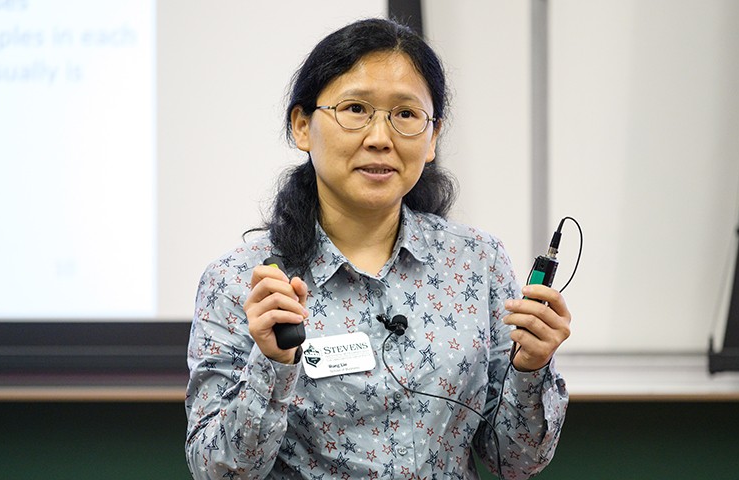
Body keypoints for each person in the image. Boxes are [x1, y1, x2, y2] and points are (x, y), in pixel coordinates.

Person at [185, 18, 571, 480]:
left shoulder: (477, 263)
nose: (380, 138)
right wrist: (272, 363)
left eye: (406, 115)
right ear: (302, 126)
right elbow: (219, 471)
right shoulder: (242, 282)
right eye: (355, 109)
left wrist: (531, 367)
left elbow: (516, 460)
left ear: (432, 138)